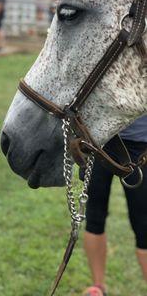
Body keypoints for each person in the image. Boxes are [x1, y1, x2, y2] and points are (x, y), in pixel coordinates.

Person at [82, 116, 147, 296]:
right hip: (99, 141)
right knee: (94, 218)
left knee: (144, 227)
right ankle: (98, 287)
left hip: (141, 145)